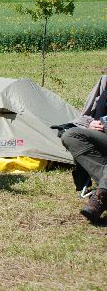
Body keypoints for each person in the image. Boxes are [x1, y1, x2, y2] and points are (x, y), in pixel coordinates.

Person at [60, 76, 107, 223]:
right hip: (102, 136)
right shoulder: (104, 82)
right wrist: (89, 123)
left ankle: (101, 196)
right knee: (70, 135)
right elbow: (83, 116)